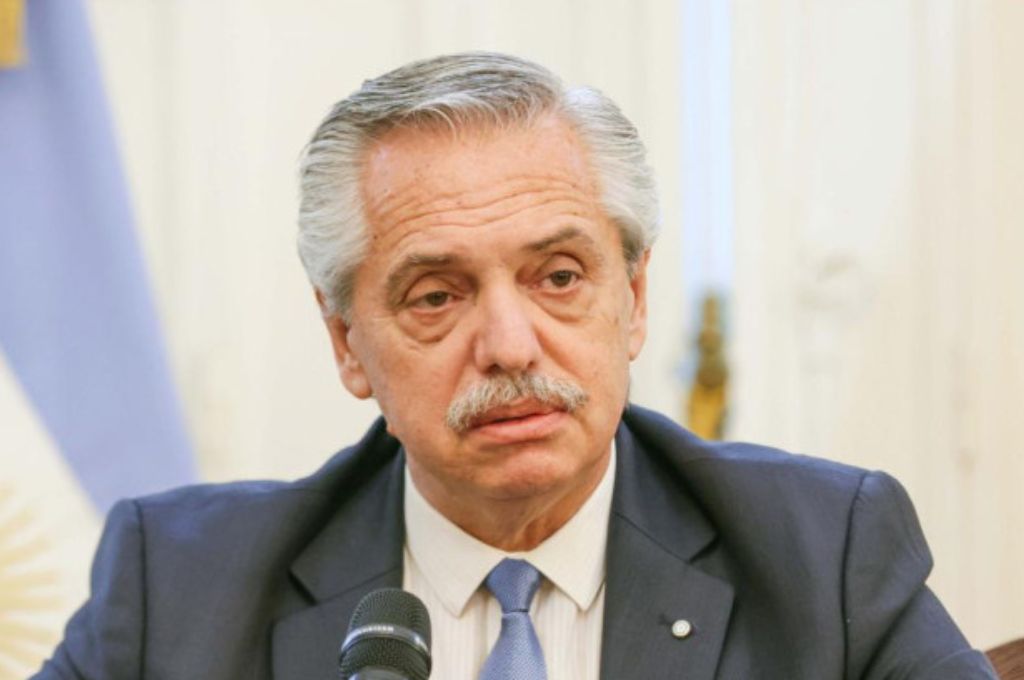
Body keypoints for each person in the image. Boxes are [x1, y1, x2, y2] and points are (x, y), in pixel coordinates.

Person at [33, 52, 995, 680]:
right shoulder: (178, 590)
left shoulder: (824, 554)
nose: (509, 344)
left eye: (559, 277)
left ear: (635, 299)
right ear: (346, 343)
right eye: (436, 296)